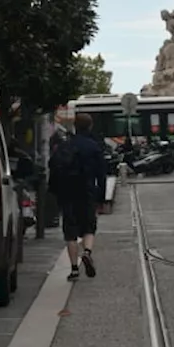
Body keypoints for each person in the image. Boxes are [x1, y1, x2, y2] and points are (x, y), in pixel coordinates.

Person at [49, 114, 106, 281]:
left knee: (70, 231)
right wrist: (101, 199)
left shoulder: (65, 145)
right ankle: (87, 253)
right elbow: (101, 175)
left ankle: (74, 269)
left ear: (75, 126)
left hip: (67, 193)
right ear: (90, 126)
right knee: (89, 227)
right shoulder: (94, 147)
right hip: (87, 192)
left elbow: (54, 168)